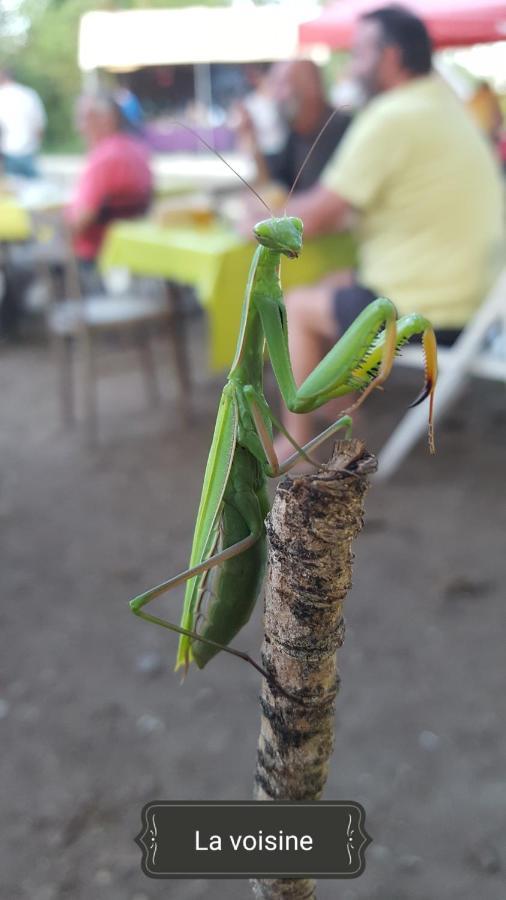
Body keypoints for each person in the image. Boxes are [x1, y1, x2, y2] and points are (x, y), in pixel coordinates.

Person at [267, 6, 504, 457]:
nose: (350, 65)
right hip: (475, 302)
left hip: (428, 311)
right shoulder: (442, 105)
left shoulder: (391, 116)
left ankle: (294, 445)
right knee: (333, 282)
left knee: (295, 307)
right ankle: (340, 414)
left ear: (390, 56)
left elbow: (312, 218)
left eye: (357, 54)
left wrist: (256, 220)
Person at [67, 92, 153, 292]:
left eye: (85, 117)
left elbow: (81, 221)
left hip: (95, 258)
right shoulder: (139, 150)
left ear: (107, 119)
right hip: (132, 253)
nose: (79, 126)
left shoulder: (102, 158)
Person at [235, 59, 351, 192]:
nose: (276, 96)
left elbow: (330, 204)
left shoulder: (345, 132)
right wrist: (250, 136)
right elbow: (275, 189)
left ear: (309, 86)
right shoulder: (296, 135)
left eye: (282, 85)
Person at [0, 68, 46, 178]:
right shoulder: (29, 94)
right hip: (29, 151)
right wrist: (36, 147)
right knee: (33, 190)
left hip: (6, 154)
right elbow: (39, 126)